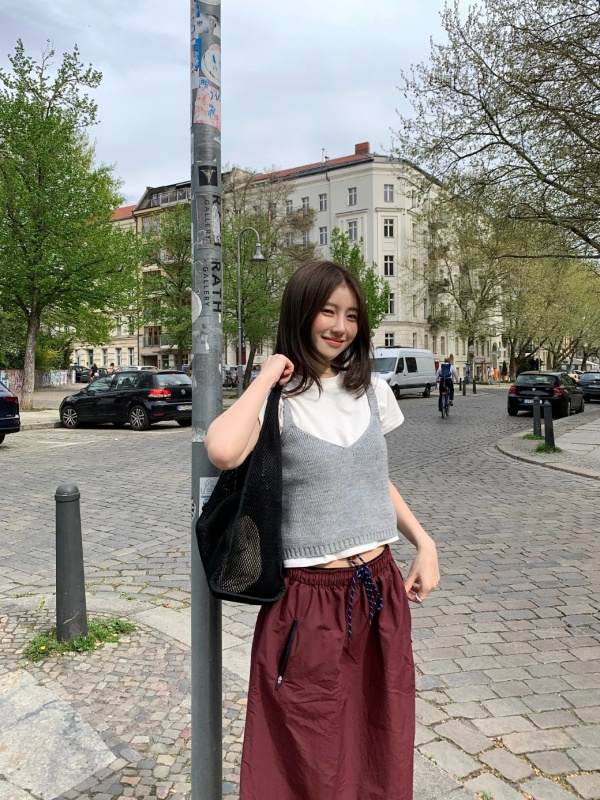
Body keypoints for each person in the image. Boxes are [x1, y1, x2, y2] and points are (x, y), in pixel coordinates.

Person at [205, 260, 439, 800]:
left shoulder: (372, 391)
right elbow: (222, 450)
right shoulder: (277, 400)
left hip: (379, 590)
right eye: (328, 312)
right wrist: (267, 375)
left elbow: (372, 480)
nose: (340, 327)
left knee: (380, 742)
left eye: (352, 315)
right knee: (307, 757)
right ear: (301, 313)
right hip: (307, 601)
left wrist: (423, 542)